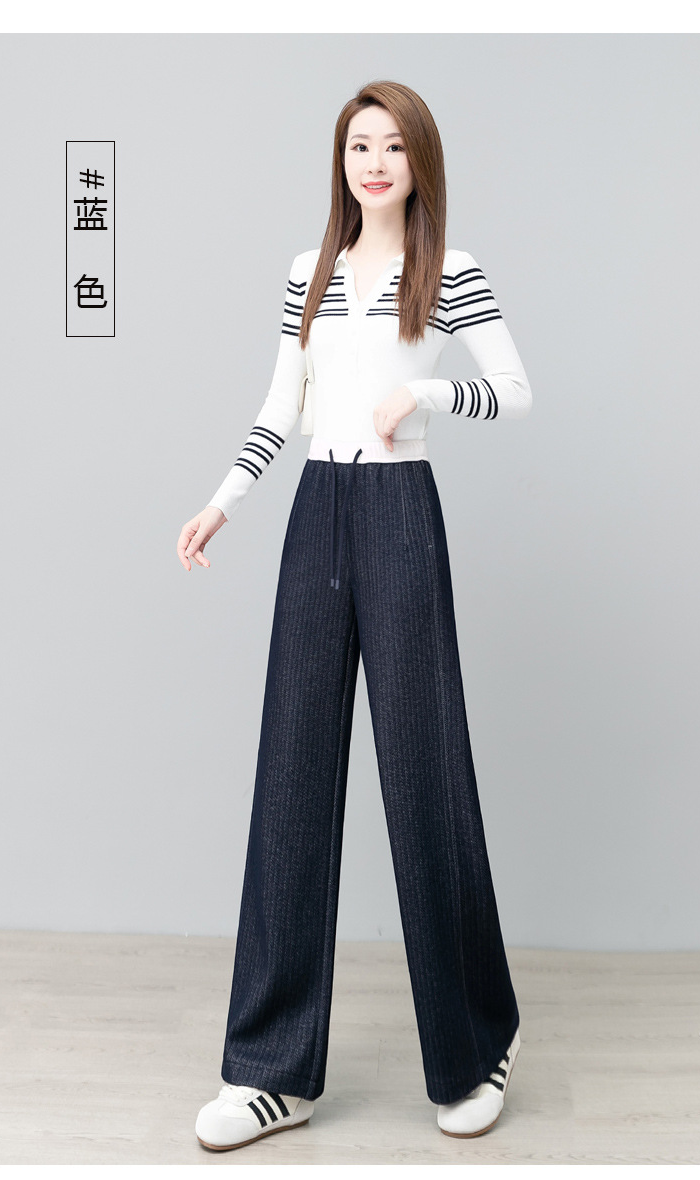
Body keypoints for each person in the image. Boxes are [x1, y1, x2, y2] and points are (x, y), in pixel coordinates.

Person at [177, 80, 532, 1153]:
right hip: (315, 510)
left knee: (425, 773)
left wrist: (427, 395)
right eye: (357, 145)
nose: (372, 162)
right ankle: (270, 1071)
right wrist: (223, 500)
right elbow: (279, 405)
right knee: (291, 771)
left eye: (392, 146)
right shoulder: (310, 271)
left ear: (420, 162)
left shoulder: (449, 270)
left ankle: (477, 1044)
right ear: (341, 161)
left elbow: (514, 389)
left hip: (400, 511)